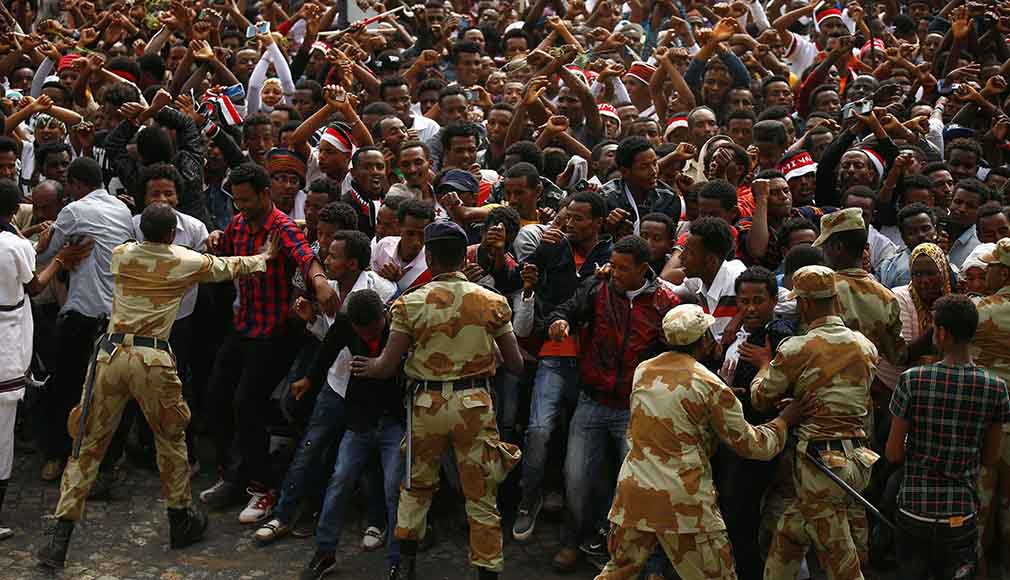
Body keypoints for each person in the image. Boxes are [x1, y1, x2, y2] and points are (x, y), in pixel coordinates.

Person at [36, 202, 279, 569]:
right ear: (171, 234)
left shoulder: (121, 254)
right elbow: (232, 267)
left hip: (110, 355)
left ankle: (59, 537)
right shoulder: (182, 260)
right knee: (170, 440)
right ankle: (180, 518)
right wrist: (265, 254)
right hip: (153, 361)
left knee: (87, 446)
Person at [350, 220, 524, 580]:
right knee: (480, 493)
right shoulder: (493, 302)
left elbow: (386, 366)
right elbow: (516, 364)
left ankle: (403, 566)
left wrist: (366, 366)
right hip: (474, 404)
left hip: (426, 405)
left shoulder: (408, 304)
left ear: (429, 255)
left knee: (416, 488)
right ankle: (487, 571)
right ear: (464, 257)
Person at [595, 304, 814, 580]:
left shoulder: (644, 370)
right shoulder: (710, 385)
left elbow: (675, 411)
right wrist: (784, 420)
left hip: (635, 492)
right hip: (684, 501)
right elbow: (753, 445)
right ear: (705, 339)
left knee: (619, 571)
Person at [199, 163, 338, 522]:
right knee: (214, 397)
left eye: (246, 200)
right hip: (243, 326)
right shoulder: (238, 224)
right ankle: (233, 474)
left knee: (248, 403)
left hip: (273, 334)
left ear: (265, 194)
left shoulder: (282, 227)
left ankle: (264, 487)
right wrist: (215, 237)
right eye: (237, 200)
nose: (241, 206)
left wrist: (320, 282)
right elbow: (223, 253)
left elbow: (306, 258)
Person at [751, 265, 881, 580]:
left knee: (841, 562)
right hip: (855, 459)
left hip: (819, 466)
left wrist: (763, 366)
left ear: (805, 303)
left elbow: (760, 397)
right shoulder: (865, 346)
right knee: (789, 535)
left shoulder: (797, 348)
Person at [887, 294, 1010, 580]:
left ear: (941, 333)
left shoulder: (912, 380)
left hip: (914, 511)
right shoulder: (995, 388)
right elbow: (990, 458)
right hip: (961, 514)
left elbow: (893, 453)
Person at [0, 179, 92, 541]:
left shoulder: (17, 243)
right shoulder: (14, 244)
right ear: (13, 210)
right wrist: (59, 259)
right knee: (2, 439)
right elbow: (35, 285)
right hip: (5, 346)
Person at [34, 157, 135, 482]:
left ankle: (57, 456)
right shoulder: (122, 210)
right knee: (108, 394)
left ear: (76, 185)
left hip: (82, 314)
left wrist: (47, 244)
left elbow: (43, 258)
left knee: (63, 388)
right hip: (116, 315)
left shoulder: (74, 211)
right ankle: (104, 462)